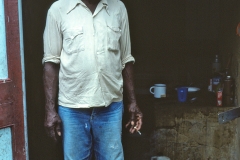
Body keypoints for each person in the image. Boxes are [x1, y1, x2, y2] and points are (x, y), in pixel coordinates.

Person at [42, 0, 143, 159]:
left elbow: (126, 59)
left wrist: (132, 102)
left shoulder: (118, 8)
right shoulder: (58, 10)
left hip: (111, 106)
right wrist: (50, 110)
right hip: (72, 108)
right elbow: (50, 64)